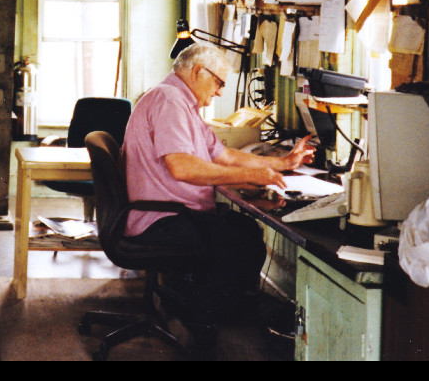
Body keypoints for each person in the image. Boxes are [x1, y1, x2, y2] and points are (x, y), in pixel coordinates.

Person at [122, 41, 314, 346]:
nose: (221, 91)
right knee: (238, 242)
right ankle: (198, 316)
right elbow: (182, 168)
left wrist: (282, 162)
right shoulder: (169, 101)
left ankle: (196, 306)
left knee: (245, 232)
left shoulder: (183, 103)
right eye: (219, 82)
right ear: (198, 72)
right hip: (161, 218)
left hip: (172, 212)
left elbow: (222, 155)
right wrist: (252, 175)